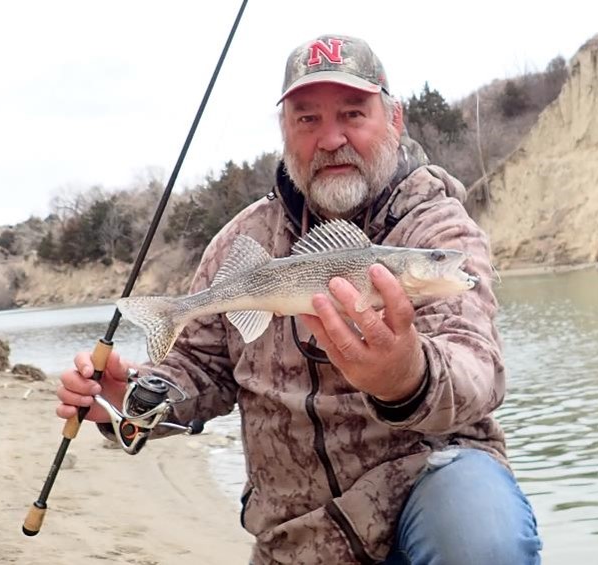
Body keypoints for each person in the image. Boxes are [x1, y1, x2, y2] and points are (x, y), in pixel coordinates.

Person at [57, 34, 542, 564]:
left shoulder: (435, 230)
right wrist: (130, 398)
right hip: (298, 538)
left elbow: (477, 366)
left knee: (481, 537)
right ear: (285, 132)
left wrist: (406, 375)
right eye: (307, 119)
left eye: (353, 113)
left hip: (424, 497)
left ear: (394, 120)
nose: (332, 138)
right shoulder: (241, 242)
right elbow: (199, 364)